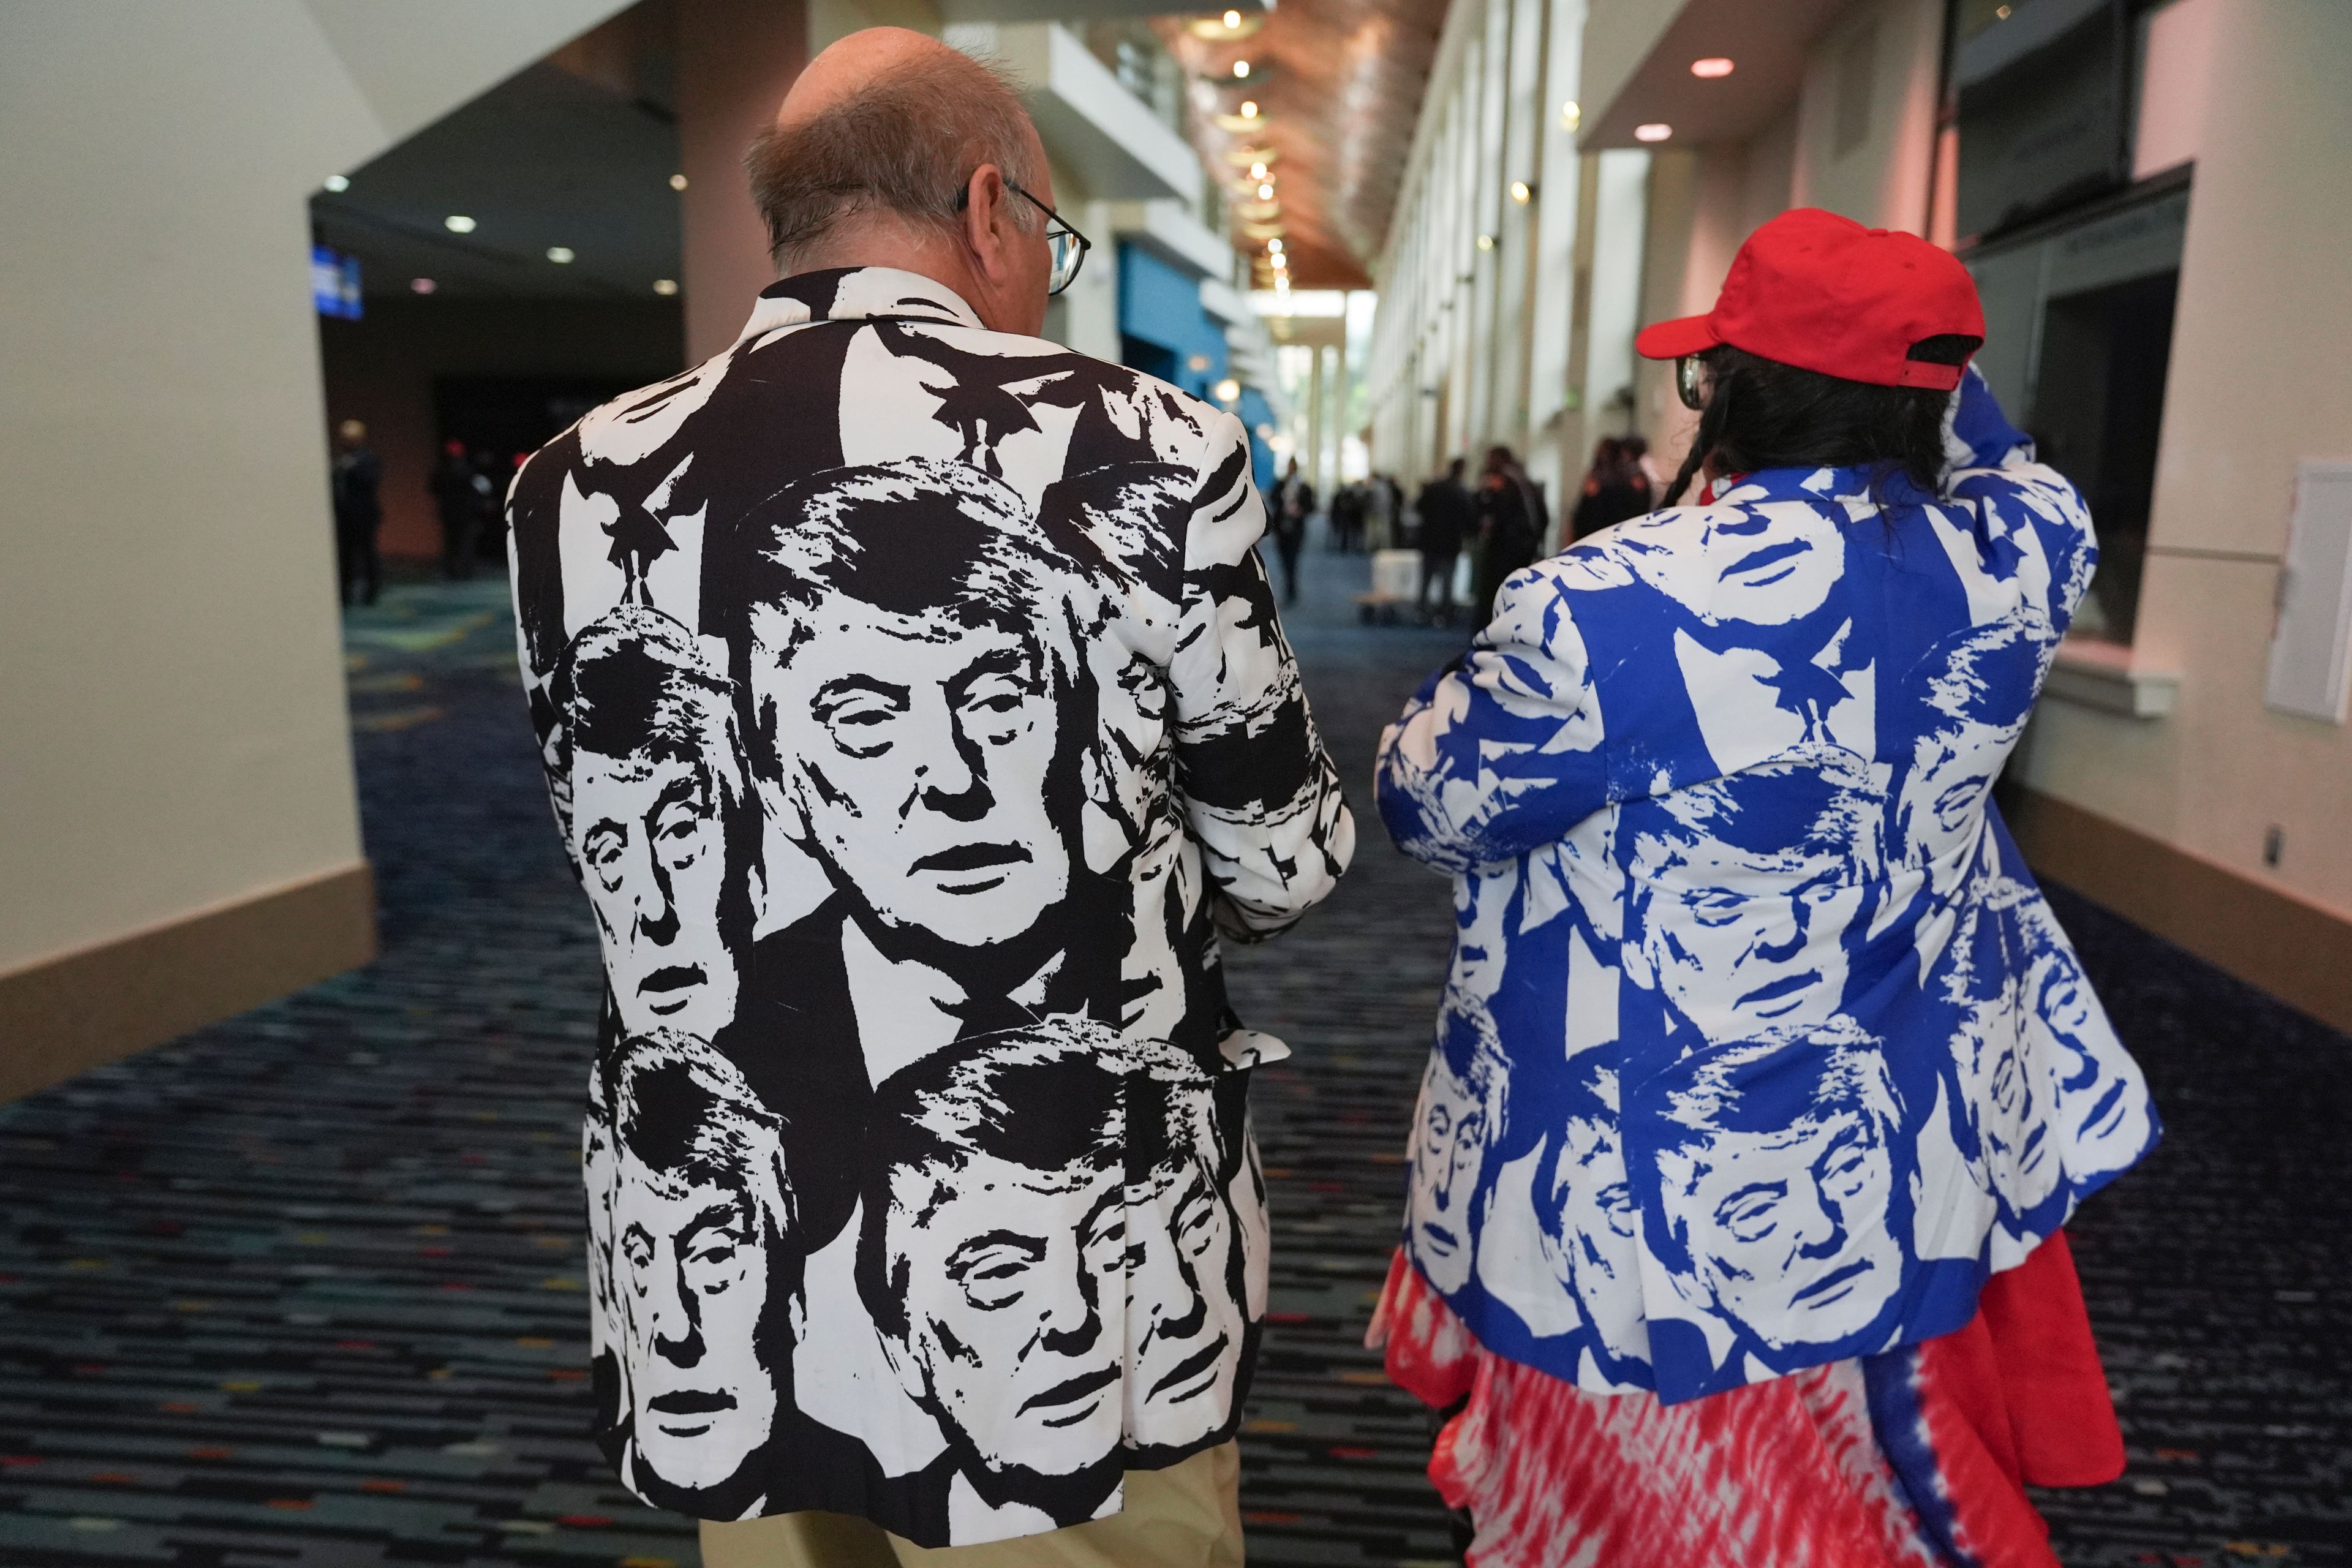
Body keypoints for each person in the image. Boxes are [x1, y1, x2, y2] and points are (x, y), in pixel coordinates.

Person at [503, 28, 1352, 1564]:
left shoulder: (570, 482)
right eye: (1048, 237)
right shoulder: (1149, 446)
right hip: (1068, 1293)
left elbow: (628, 853)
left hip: (737, 1282)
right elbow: (1283, 858)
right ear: (986, 209)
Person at [1370, 208, 2158, 1564]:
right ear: (1927, 394)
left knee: (1622, 1516)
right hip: (1883, 1168)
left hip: (1636, 1199)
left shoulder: (1602, 604)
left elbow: (1428, 805)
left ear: (1722, 391)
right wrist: (1926, 376)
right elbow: (2014, 462)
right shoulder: (2020, 562)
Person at [1472, 445, 1544, 619]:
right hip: (1522, 544)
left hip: (1507, 546)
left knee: (1497, 589)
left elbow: (1494, 511)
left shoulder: (1506, 481)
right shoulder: (1523, 480)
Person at [1412, 458, 1474, 625]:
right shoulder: (1462, 492)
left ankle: (1422, 611)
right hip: (1450, 543)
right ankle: (1444, 615)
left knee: (1426, 579)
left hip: (1430, 540)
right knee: (1447, 581)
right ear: (1462, 471)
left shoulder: (1434, 487)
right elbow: (1470, 519)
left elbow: (1418, 507)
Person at [330, 417, 382, 606]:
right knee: (345, 556)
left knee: (368, 554)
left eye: (350, 438)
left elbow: (371, 482)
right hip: (343, 516)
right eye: (344, 438)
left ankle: (372, 592)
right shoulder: (339, 462)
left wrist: (352, 470)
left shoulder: (368, 460)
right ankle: (345, 593)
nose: (346, 442)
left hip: (364, 515)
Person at [1568, 436, 1651, 541]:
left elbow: (1581, 519)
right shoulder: (1635, 479)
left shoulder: (1597, 480)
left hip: (1596, 540)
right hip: (1623, 539)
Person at [430, 439, 486, 579]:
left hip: (458, 513)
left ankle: (459, 570)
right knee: (459, 543)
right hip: (458, 513)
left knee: (458, 543)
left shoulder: (450, 470)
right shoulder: (460, 470)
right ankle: (460, 570)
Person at [1268, 457, 1313, 603]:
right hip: (1281, 527)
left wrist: (1299, 511)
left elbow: (1310, 506)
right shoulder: (1280, 484)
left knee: (1293, 559)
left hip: (1296, 528)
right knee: (1284, 559)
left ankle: (1291, 588)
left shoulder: (1304, 487)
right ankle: (1289, 585)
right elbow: (1273, 499)